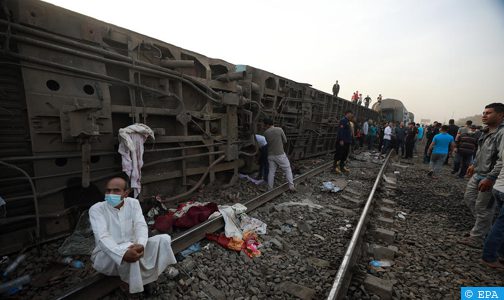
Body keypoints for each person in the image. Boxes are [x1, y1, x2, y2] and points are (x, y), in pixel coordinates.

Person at [89, 177, 176, 294]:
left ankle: (144, 279)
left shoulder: (133, 203)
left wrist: (141, 244)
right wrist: (122, 254)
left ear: (126, 193)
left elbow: (140, 226)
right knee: (130, 252)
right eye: (108, 191)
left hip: (132, 247)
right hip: (107, 256)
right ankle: (138, 285)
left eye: (116, 190)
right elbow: (102, 237)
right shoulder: (96, 209)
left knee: (164, 239)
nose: (110, 194)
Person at [460, 103, 504, 248]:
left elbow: (501, 160)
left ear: (500, 115)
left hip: (489, 176)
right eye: (484, 112)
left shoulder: (501, 133)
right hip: (479, 173)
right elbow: (480, 152)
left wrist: (491, 178)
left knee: (484, 208)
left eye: (489, 113)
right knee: (469, 198)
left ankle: (477, 237)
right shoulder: (485, 131)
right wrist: (473, 164)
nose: (484, 115)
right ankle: (483, 230)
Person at [481, 145, 504, 269]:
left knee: (500, 223)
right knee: (501, 225)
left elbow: (500, 162)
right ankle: (489, 256)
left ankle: (500, 254)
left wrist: (490, 178)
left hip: (499, 187)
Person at [263, 118, 295, 191]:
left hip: (270, 155)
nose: (264, 126)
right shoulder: (279, 129)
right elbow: (285, 141)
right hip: (280, 154)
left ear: (267, 124)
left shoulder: (265, 133)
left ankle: (270, 188)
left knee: (271, 172)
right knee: (287, 169)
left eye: (264, 124)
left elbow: (266, 144)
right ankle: (291, 186)